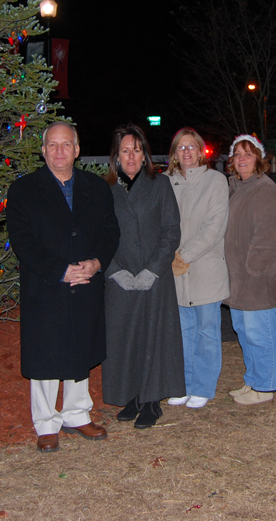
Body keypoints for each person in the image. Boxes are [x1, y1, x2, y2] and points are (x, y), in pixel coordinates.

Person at [5, 121, 120, 454]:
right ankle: (46, 423)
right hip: (46, 285)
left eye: (66, 144)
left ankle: (76, 414)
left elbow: (110, 232)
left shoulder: (96, 187)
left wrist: (97, 263)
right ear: (43, 150)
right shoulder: (24, 189)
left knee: (79, 349)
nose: (59, 151)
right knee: (47, 354)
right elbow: (22, 240)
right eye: (52, 145)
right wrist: (60, 271)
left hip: (86, 283)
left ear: (77, 149)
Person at [102, 123, 184, 428]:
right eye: (125, 150)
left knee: (154, 336)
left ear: (145, 154)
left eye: (137, 149)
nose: (131, 155)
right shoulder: (106, 189)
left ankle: (152, 401)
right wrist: (114, 271)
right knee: (126, 337)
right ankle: (132, 395)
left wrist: (152, 270)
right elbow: (98, 235)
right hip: (120, 276)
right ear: (116, 156)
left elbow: (171, 231)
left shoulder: (159, 185)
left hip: (154, 277)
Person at [165, 128, 229, 410]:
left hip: (205, 269)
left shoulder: (215, 181)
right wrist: (168, 256)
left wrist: (185, 255)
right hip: (175, 272)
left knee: (206, 331)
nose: (187, 152)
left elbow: (214, 226)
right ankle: (184, 385)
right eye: (181, 147)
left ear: (202, 151)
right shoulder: (165, 182)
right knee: (182, 332)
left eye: (192, 146)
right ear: (174, 154)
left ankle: (202, 387)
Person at [223, 134, 276, 406]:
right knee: (244, 330)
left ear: (259, 159)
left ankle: (265, 386)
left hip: (256, 278)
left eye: (248, 154)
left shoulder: (265, 189)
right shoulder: (236, 187)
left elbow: (269, 234)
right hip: (237, 279)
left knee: (259, 331)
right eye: (237, 154)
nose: (242, 159)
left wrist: (253, 268)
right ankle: (253, 380)